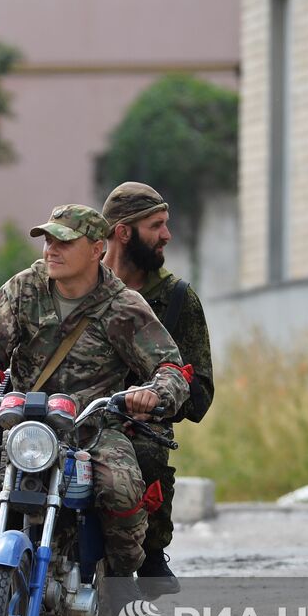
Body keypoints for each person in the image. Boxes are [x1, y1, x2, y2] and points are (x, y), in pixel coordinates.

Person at [0, 204, 192, 615]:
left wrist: (155, 393)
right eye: (48, 240)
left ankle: (118, 578)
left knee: (120, 488)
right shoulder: (22, 290)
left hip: (93, 427)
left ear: (97, 249)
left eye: (64, 242)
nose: (50, 250)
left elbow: (169, 366)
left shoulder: (123, 306)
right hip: (27, 424)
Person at [100, 182, 214, 591]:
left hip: (139, 428)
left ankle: (148, 551)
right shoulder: (76, 284)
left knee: (147, 453)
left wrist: (157, 401)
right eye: (157, 225)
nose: (167, 235)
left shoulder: (177, 299)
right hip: (73, 417)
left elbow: (199, 390)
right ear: (123, 231)